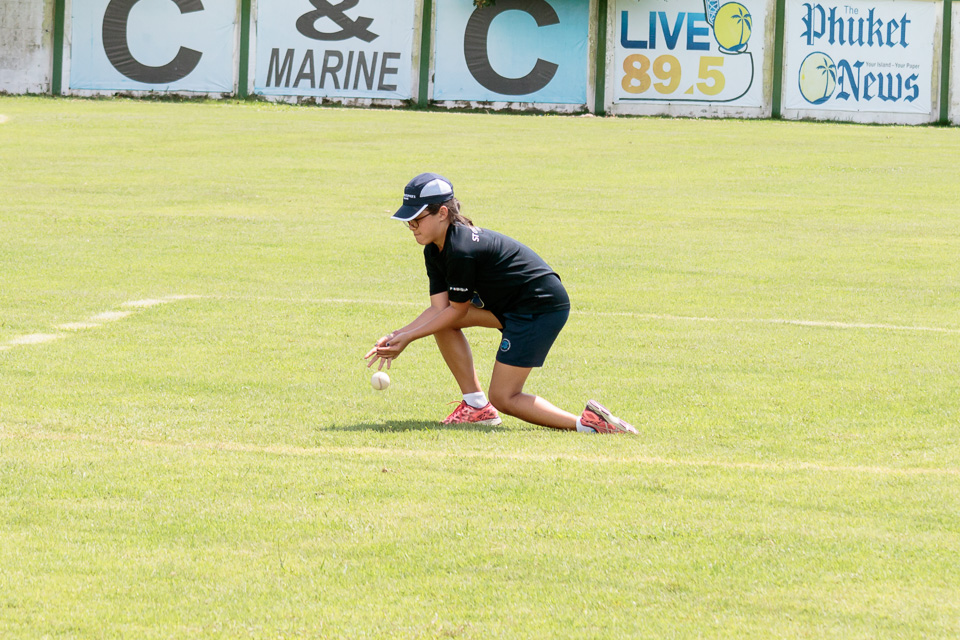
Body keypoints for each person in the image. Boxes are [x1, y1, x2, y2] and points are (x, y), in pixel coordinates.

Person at [364, 173, 636, 434]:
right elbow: (439, 310)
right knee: (440, 323)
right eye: (408, 221)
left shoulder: (461, 250)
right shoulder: (434, 249)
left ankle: (589, 425)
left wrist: (409, 338)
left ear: (442, 213)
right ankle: (476, 407)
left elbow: (456, 310)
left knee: (504, 397)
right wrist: (398, 335)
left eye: (416, 219)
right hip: (512, 305)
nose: (412, 227)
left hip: (539, 308)